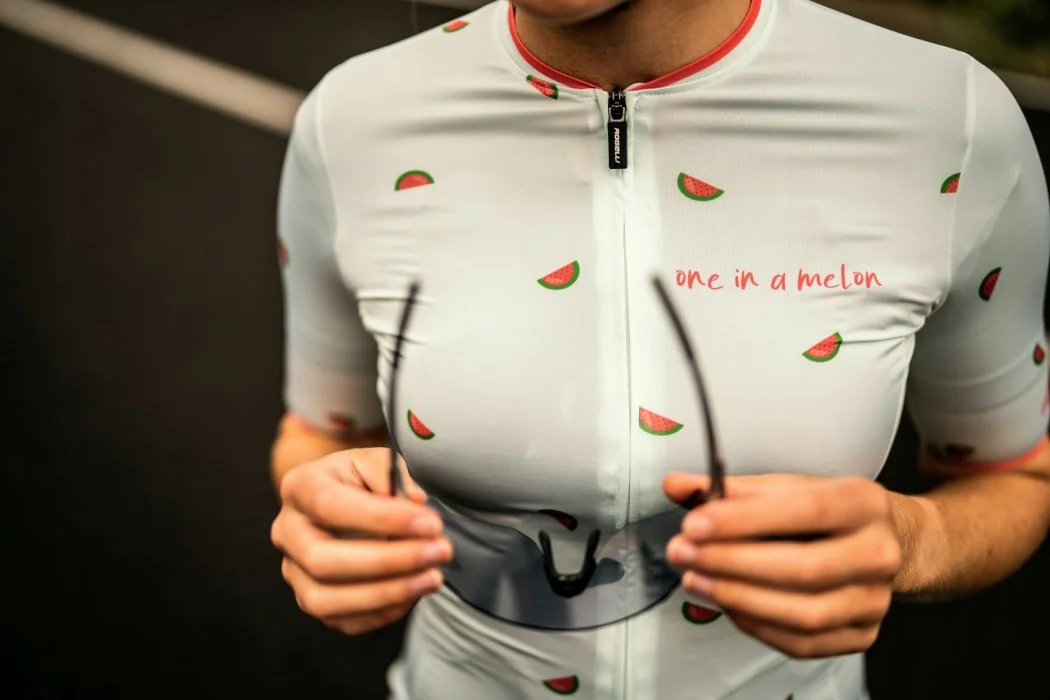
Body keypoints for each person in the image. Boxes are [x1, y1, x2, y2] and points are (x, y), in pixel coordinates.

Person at [268, 0, 1050, 698]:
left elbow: (1013, 474)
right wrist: (327, 512)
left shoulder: (949, 119)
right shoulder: (352, 118)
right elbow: (318, 434)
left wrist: (913, 542)